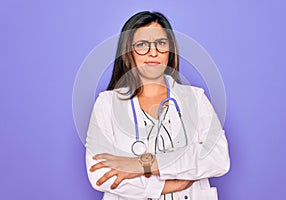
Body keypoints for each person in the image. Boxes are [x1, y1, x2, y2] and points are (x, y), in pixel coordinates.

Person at [85, 11, 230, 200]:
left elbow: (219, 159)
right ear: (128, 53)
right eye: (142, 45)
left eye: (161, 43)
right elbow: (100, 174)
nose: (153, 52)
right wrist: (165, 185)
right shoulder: (107, 104)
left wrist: (143, 165)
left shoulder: (196, 98)